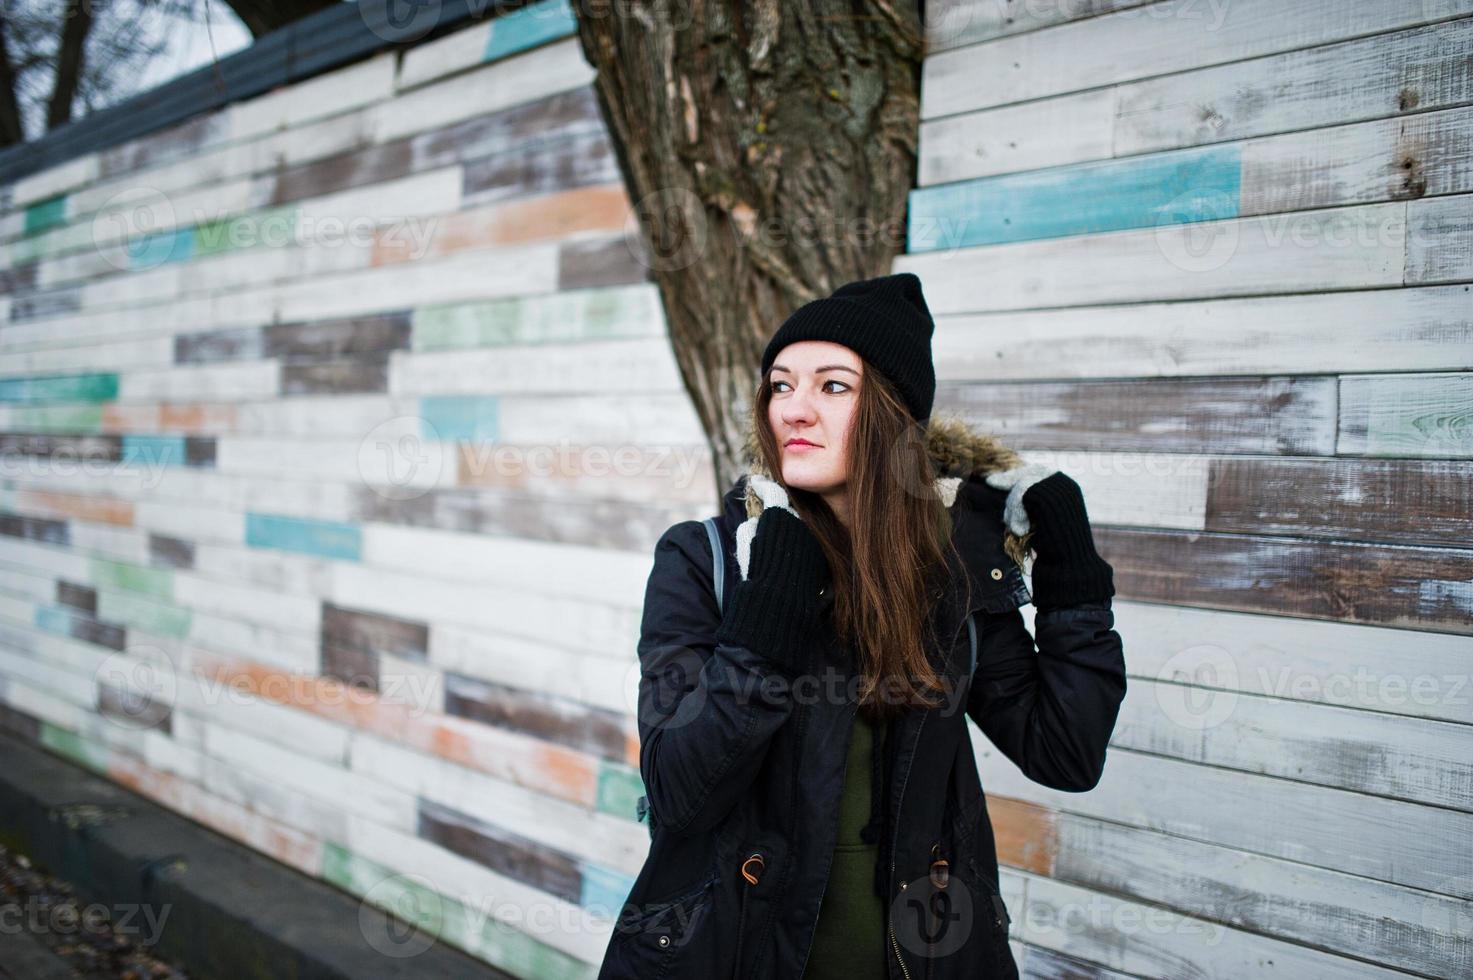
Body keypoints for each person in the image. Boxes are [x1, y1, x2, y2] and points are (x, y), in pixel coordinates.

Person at [598, 272, 1126, 979]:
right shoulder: (709, 558)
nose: (794, 410)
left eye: (832, 386)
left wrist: (1073, 584)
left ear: (893, 415)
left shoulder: (950, 567)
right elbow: (680, 795)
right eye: (780, 386)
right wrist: (766, 616)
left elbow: (1064, 753)